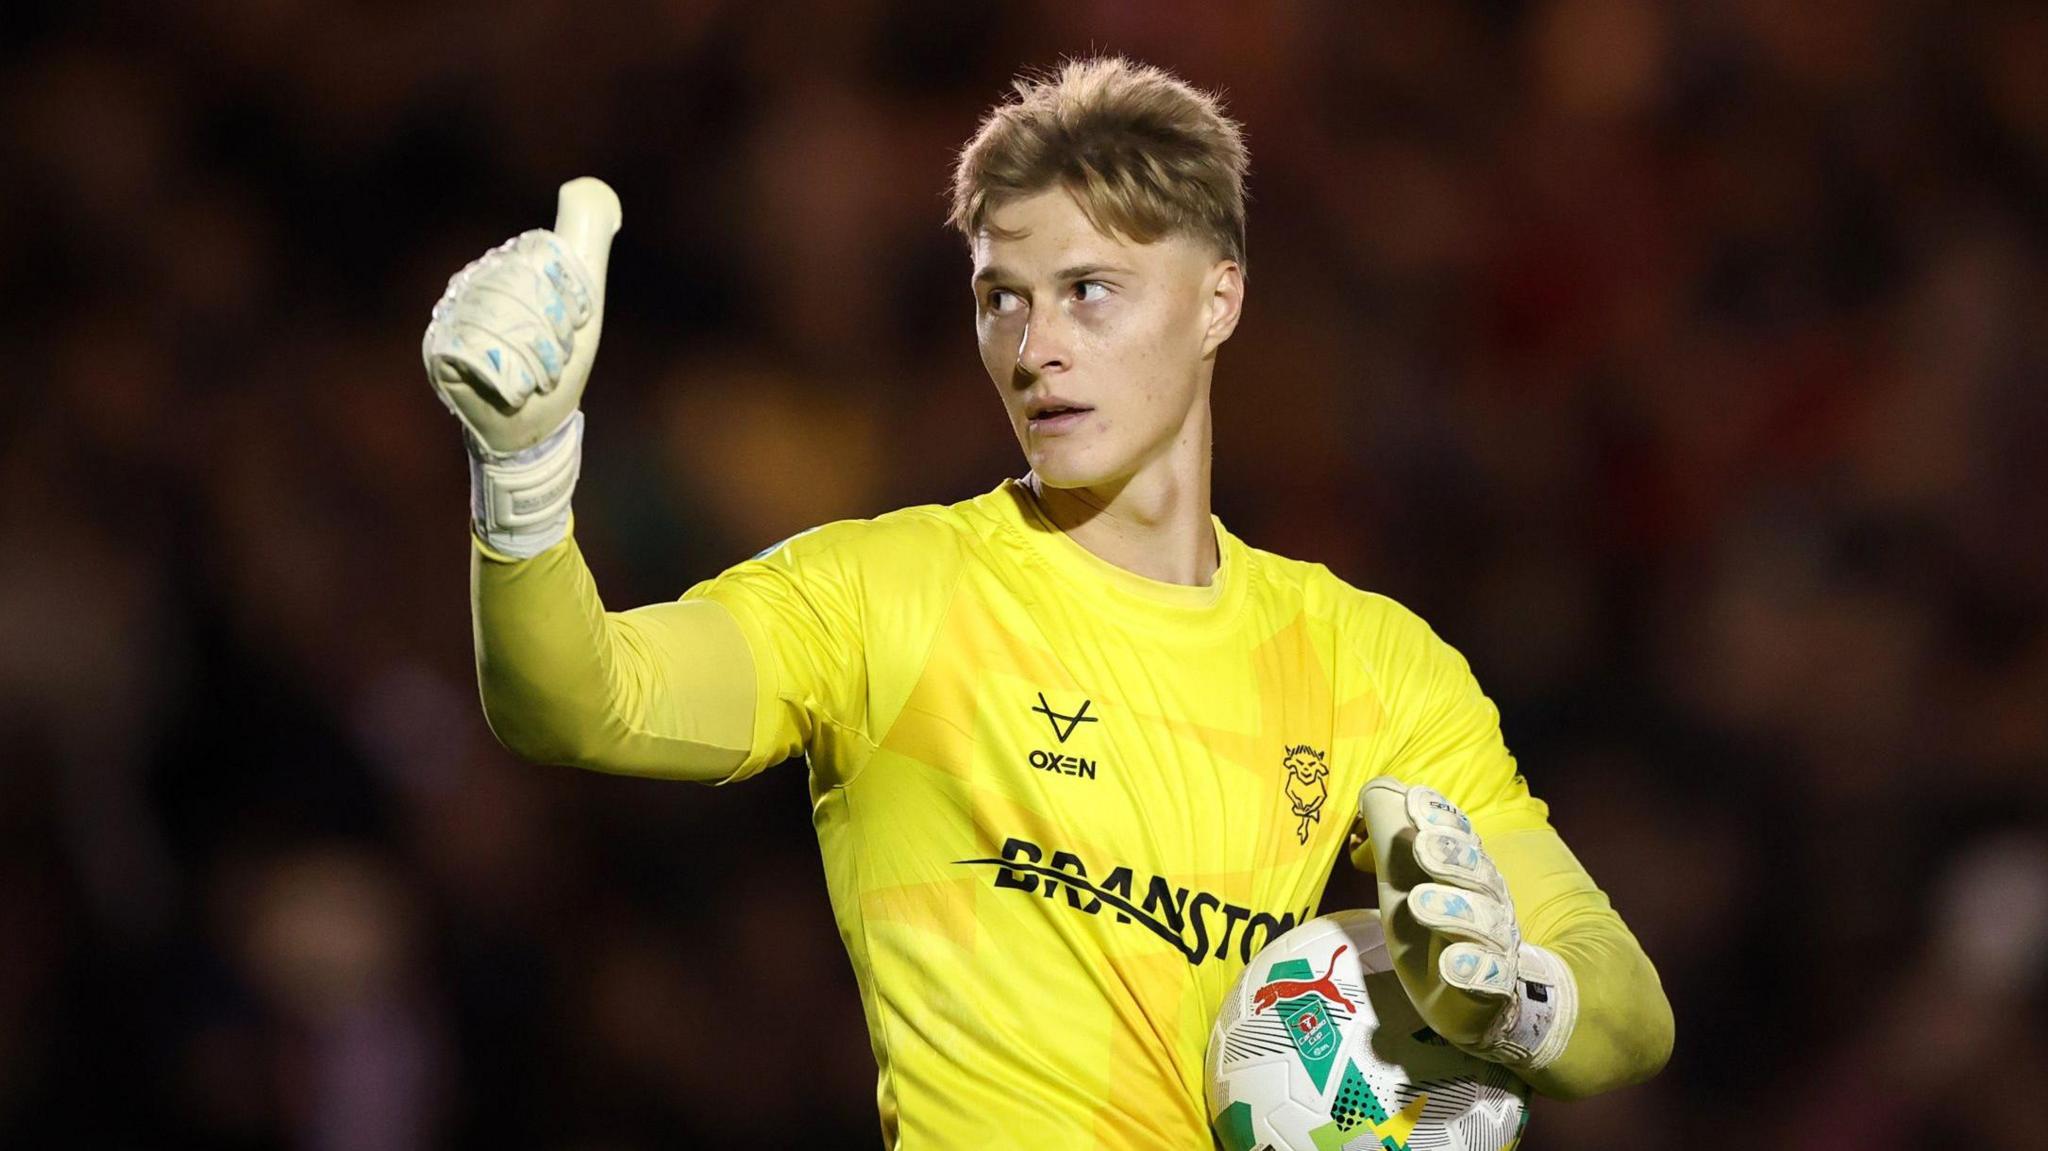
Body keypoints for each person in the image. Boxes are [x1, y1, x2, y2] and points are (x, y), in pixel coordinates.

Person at [422, 56, 1672, 1149]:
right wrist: (523, 475)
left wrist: (1510, 997)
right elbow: (580, 701)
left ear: (1217, 300)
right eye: (998, 297)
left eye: (1088, 290)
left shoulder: (1375, 664)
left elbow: (1627, 1006)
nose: (1033, 348)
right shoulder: (884, 591)